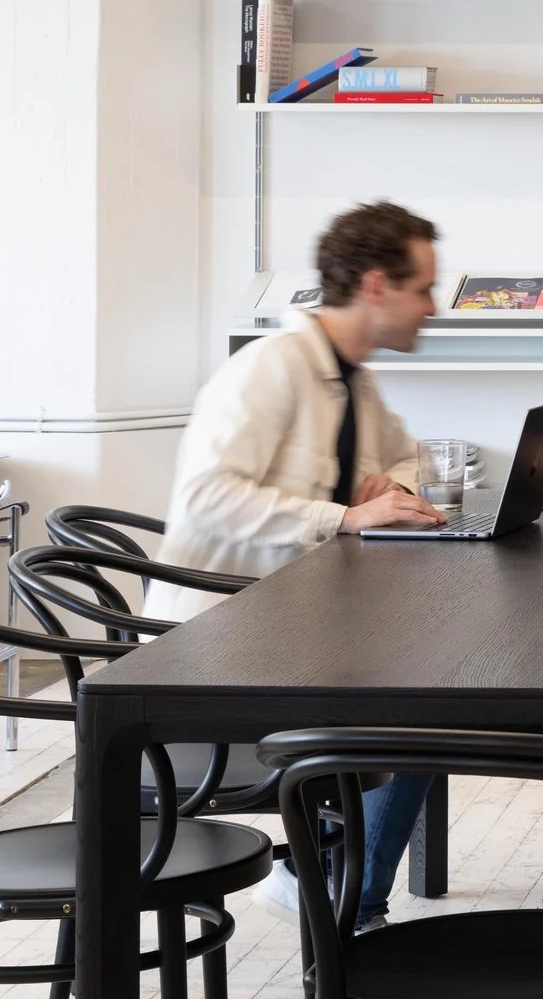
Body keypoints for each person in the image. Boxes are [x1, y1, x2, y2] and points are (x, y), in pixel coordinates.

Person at [147, 200, 449, 934]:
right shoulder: (270, 370)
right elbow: (207, 496)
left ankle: (323, 876)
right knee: (424, 703)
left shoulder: (351, 382)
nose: (433, 308)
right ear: (376, 285)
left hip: (283, 642)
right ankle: (340, 897)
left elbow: (417, 457)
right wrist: (343, 515)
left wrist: (394, 485)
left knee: (436, 687)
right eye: (422, 289)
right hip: (213, 659)